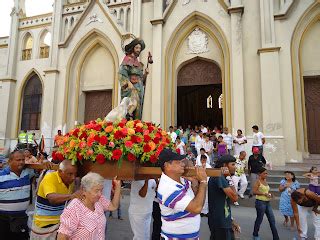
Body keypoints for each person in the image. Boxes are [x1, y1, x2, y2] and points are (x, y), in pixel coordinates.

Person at [157, 148, 207, 239]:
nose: (183, 164)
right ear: (167, 165)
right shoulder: (167, 188)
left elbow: (197, 200)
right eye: (178, 162)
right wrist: (203, 182)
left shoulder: (182, 179)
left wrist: (195, 185)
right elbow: (197, 208)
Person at [57, 172, 121, 240]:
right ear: (84, 190)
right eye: (96, 191)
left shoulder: (99, 200)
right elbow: (62, 237)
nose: (100, 194)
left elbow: (114, 206)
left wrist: (118, 186)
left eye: (101, 190)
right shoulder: (74, 208)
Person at [31, 160, 81, 239]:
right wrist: (72, 196)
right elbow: (52, 198)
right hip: (44, 225)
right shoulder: (50, 177)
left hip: (59, 224)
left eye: (75, 174)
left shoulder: (71, 181)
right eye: (70, 174)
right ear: (60, 172)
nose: (73, 177)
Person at [0, 150, 35, 239]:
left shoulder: (27, 173)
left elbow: (40, 166)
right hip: (3, 220)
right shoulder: (1, 176)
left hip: (21, 219)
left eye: (23, 160)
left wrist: (46, 163)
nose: (21, 162)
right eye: (18, 160)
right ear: (10, 161)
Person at [208, 155, 240, 240]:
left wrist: (231, 221)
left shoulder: (221, 177)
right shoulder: (218, 176)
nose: (235, 167)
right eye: (233, 164)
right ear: (225, 166)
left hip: (224, 221)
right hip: (220, 223)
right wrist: (229, 177)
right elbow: (235, 198)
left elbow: (224, 203)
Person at [119, 38, 149, 119]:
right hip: (131, 88)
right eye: (137, 48)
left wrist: (145, 74)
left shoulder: (138, 63)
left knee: (137, 108)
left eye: (140, 48)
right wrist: (129, 84)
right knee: (132, 103)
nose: (138, 50)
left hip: (139, 88)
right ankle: (127, 117)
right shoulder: (127, 59)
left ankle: (135, 123)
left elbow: (142, 80)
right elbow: (122, 73)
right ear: (132, 48)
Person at [252, 167, 279, 240]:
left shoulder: (265, 181)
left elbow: (266, 191)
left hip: (267, 202)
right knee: (259, 219)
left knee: (272, 220)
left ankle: (276, 237)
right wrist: (264, 194)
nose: (266, 174)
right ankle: (255, 235)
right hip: (260, 203)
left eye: (266, 173)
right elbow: (254, 191)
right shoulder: (258, 181)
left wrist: (270, 194)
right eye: (264, 173)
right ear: (260, 174)